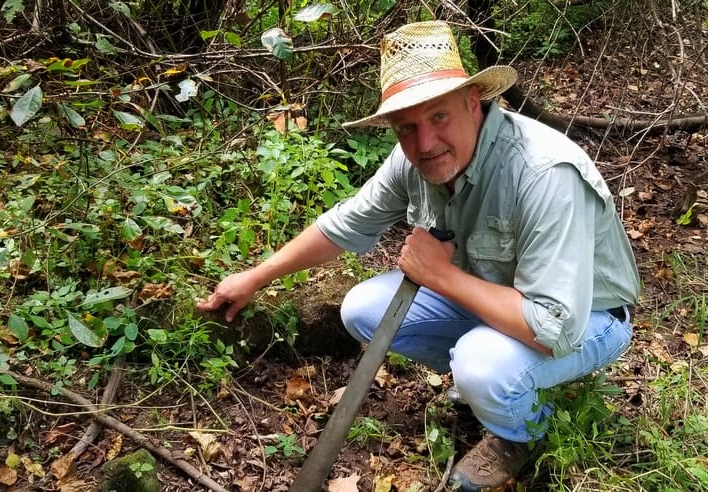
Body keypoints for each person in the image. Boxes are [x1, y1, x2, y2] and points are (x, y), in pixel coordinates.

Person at [197, 20, 640, 491]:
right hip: (497, 297)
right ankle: (491, 380)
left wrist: (440, 276)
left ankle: (521, 432)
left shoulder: (543, 174)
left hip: (589, 318)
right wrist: (256, 276)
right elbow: (346, 223)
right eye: (406, 126)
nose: (424, 143)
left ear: (473, 103)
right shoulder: (413, 158)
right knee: (363, 309)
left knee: (480, 364)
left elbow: (555, 329)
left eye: (439, 117)